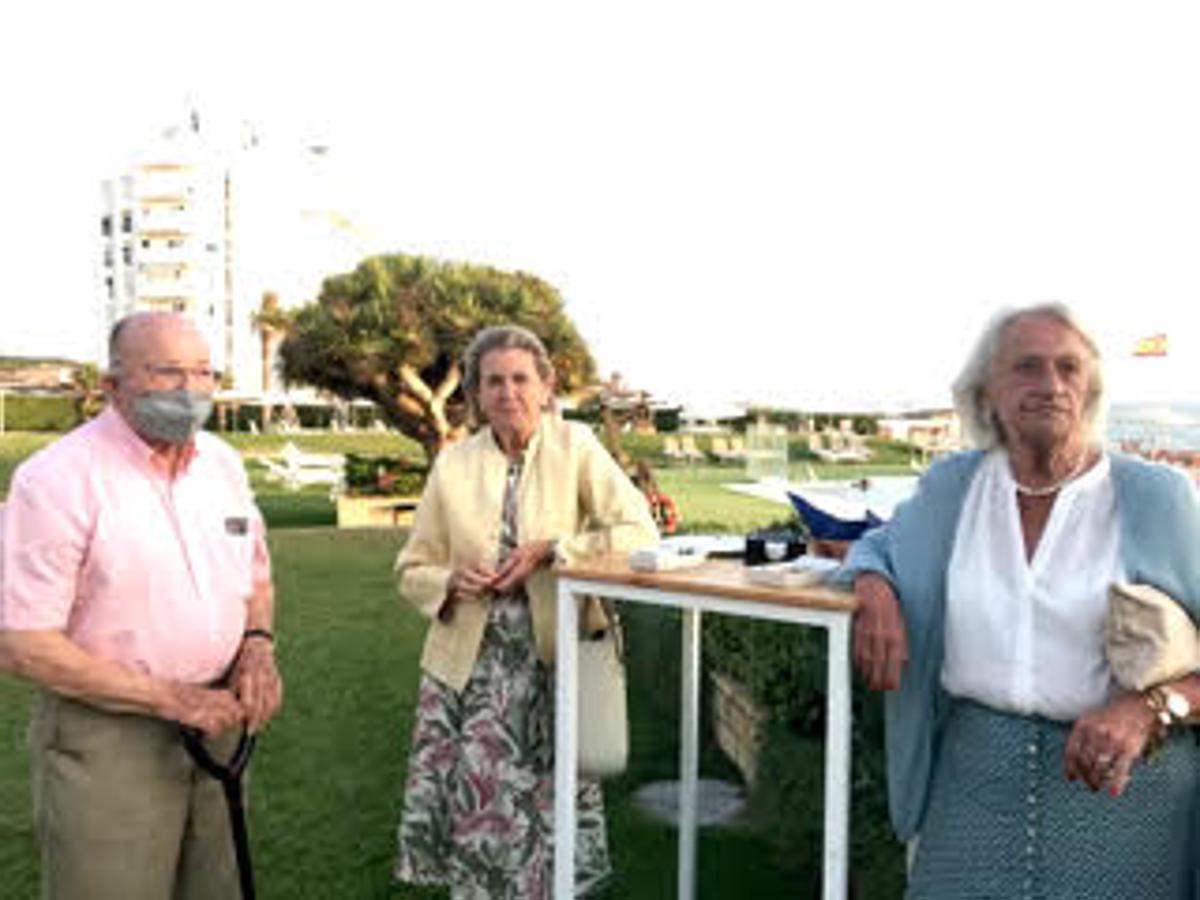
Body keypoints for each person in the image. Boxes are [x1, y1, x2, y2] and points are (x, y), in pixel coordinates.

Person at [847, 302, 1200, 899]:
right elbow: (877, 544)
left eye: (1068, 368)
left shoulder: (1157, 497)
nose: (1051, 385)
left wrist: (1149, 708)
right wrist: (872, 587)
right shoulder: (952, 489)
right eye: (1027, 367)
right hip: (973, 787)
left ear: (1089, 387)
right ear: (987, 391)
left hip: (1126, 793)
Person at [0, 312, 282, 900]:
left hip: (220, 723)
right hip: (110, 736)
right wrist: (169, 697)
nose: (190, 391)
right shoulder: (55, 481)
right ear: (113, 385)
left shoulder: (223, 465)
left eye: (203, 372)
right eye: (167, 373)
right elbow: (22, 642)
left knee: (218, 888)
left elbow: (255, 576)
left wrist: (257, 646)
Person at [392, 324, 658, 898]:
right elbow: (411, 569)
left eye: (519, 379)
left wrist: (555, 550)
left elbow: (639, 529)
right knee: (478, 822)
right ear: (475, 393)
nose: (507, 392)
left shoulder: (577, 446)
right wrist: (449, 581)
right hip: (469, 676)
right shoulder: (453, 465)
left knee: (550, 819)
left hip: (553, 664)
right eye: (493, 382)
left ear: (546, 386)